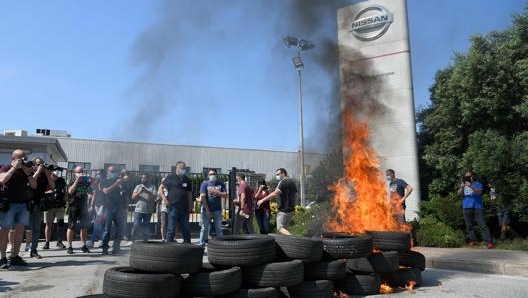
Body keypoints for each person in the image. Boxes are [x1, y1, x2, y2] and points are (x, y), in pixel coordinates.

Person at [0, 149, 38, 269]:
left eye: (24, 157)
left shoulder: (25, 171)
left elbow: (34, 186)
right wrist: (14, 168)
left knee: (20, 230)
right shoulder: (6, 167)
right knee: (4, 230)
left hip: (22, 204)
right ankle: (2, 258)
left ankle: (15, 256)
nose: (23, 160)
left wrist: (28, 173)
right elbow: (2, 180)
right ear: (13, 158)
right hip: (8, 204)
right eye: (20, 158)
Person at [457, 171, 495, 249]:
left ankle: (489, 242)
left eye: (469, 176)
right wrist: (461, 187)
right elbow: (458, 194)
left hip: (477, 207)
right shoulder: (463, 185)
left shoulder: (478, 184)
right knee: (469, 226)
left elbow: (479, 192)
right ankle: (473, 241)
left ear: (472, 177)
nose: (468, 178)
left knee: (482, 225)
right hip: (466, 207)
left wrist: (471, 186)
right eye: (466, 176)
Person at [27, 157, 55, 259]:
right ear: (34, 165)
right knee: (25, 228)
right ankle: (14, 251)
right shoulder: (29, 172)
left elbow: (52, 186)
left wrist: (47, 174)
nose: (40, 166)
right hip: (28, 203)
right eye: (38, 164)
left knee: (36, 228)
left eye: (42, 164)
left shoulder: (44, 174)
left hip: (39, 204)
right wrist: (38, 171)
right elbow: (31, 184)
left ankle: (33, 250)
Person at [256, 168, 297, 235]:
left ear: (283, 174)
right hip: (291, 210)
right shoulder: (292, 182)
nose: (277, 176)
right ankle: (287, 243)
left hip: (283, 210)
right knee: (284, 229)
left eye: (278, 174)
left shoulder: (283, 182)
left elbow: (275, 193)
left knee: (280, 228)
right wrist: (294, 206)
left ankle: (294, 240)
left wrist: (262, 200)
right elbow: (296, 195)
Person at [160, 161, 192, 243]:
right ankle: (168, 246)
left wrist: (190, 206)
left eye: (185, 168)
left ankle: (187, 244)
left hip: (184, 208)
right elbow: (160, 188)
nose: (184, 170)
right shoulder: (170, 177)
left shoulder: (186, 179)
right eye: (182, 168)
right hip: (173, 207)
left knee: (186, 227)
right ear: (177, 168)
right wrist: (164, 199)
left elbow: (189, 193)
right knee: (171, 228)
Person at [100, 166, 128, 255]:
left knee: (120, 228)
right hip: (108, 207)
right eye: (111, 171)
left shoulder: (119, 180)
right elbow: (106, 191)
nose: (113, 173)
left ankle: (116, 248)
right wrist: (116, 183)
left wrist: (124, 178)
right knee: (106, 229)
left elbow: (125, 192)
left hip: (119, 207)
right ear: (108, 172)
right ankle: (105, 248)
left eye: (115, 171)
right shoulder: (103, 181)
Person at [66, 166, 92, 254]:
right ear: (75, 173)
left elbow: (90, 192)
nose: (80, 173)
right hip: (74, 206)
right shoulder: (71, 181)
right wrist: (77, 180)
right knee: (71, 226)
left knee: (84, 226)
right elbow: (70, 191)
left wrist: (92, 182)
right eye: (78, 172)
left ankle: (84, 245)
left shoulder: (85, 182)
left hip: (83, 206)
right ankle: (69, 246)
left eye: (81, 171)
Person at [198, 168, 227, 246]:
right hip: (206, 210)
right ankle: (201, 244)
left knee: (219, 229)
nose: (212, 175)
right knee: (204, 228)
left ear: (216, 175)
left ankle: (221, 245)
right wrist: (207, 210)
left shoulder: (220, 184)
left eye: (214, 174)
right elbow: (203, 197)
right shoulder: (205, 183)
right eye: (210, 174)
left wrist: (216, 192)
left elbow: (225, 195)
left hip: (217, 210)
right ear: (208, 175)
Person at [129, 174, 157, 243]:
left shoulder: (152, 187)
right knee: (136, 225)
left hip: (148, 210)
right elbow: (133, 197)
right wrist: (140, 192)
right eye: (142, 178)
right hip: (138, 210)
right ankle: (132, 240)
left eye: (145, 178)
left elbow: (155, 198)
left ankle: (145, 241)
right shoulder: (138, 187)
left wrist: (147, 192)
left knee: (146, 227)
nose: (143, 179)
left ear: (148, 179)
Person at [43, 172, 67, 250]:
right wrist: (47, 192)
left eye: (56, 175)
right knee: (48, 224)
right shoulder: (46, 180)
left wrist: (65, 200)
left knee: (60, 223)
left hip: (59, 205)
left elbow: (65, 191)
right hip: (49, 205)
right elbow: (41, 191)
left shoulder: (61, 181)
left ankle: (59, 241)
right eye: (53, 174)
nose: (55, 176)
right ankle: (47, 242)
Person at [156, 177, 168, 242]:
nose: (164, 182)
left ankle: (170, 237)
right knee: (163, 224)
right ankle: (163, 237)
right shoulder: (160, 189)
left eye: (165, 181)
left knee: (170, 224)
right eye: (162, 181)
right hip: (163, 208)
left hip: (170, 208)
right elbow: (158, 198)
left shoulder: (169, 188)